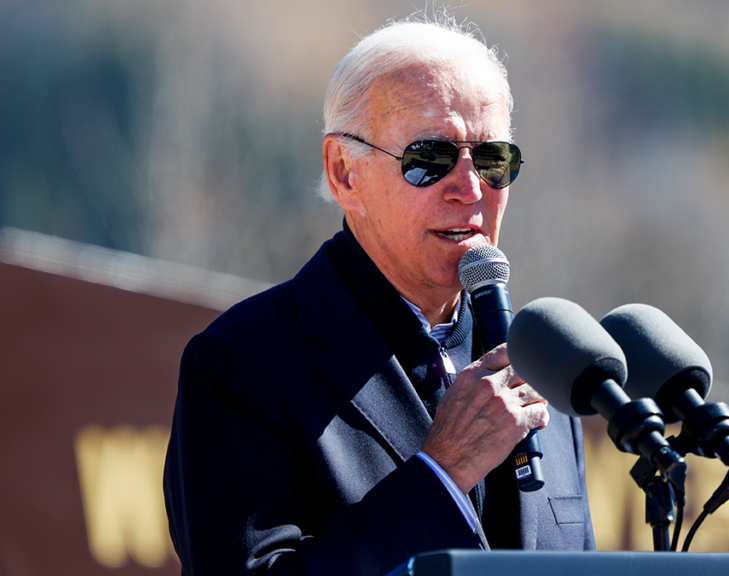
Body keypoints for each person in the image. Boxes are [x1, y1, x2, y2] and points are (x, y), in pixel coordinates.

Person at [163, 13, 595, 576]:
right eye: (429, 159)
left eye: (493, 160)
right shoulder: (241, 364)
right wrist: (441, 473)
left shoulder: (540, 363)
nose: (470, 189)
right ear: (344, 172)